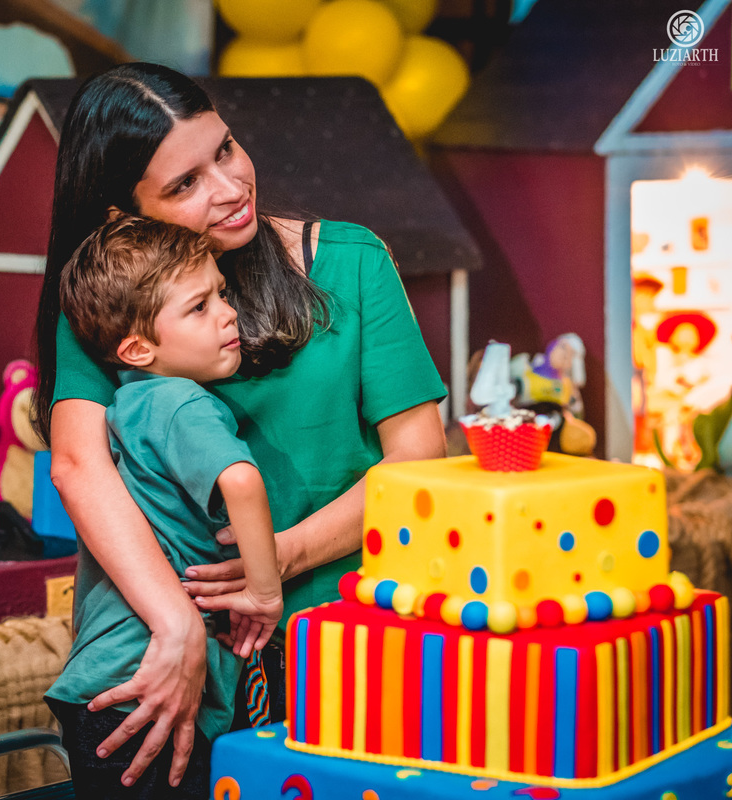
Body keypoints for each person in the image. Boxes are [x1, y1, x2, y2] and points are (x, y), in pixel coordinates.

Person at [32, 62, 447, 788]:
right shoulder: (117, 303)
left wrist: (277, 558)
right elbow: (77, 465)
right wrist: (176, 623)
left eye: (224, 149)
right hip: (189, 660)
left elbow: (419, 462)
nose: (229, 188)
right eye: (184, 184)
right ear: (123, 216)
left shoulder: (351, 262)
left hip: (349, 643)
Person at [45, 214, 283, 797]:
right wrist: (263, 591)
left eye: (220, 294)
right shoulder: (181, 405)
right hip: (148, 683)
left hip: (105, 677)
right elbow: (242, 482)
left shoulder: (128, 409)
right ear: (138, 348)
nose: (228, 313)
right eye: (199, 307)